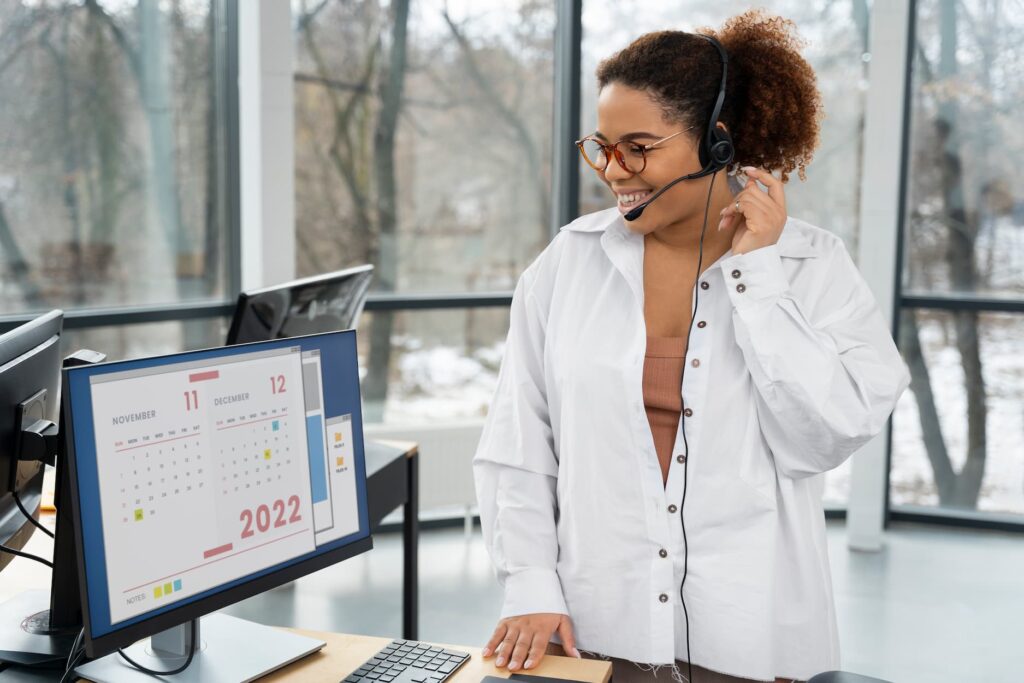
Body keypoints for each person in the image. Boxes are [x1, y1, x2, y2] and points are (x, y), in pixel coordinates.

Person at [472, 9, 909, 683]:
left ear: (718, 142)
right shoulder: (569, 263)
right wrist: (530, 581)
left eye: (639, 146)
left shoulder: (813, 267)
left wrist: (758, 276)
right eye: (603, 146)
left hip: (749, 635)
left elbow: (828, 434)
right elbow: (520, 442)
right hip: (591, 623)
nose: (614, 171)